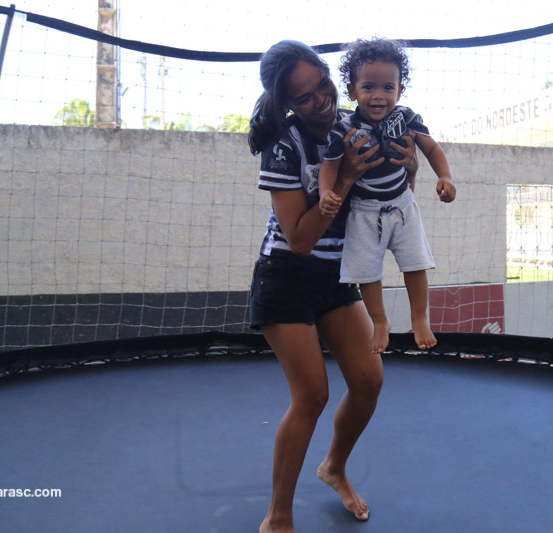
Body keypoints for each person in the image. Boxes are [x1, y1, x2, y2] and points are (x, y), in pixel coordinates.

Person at [247, 40, 418, 533]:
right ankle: (278, 516)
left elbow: (393, 200)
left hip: (338, 275)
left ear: (331, 76)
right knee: (312, 395)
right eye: (304, 98)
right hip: (286, 278)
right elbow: (299, 240)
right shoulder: (286, 146)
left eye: (322, 84)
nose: (320, 100)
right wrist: (342, 180)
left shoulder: (363, 121)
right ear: (287, 105)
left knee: (368, 382)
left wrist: (410, 168)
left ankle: (334, 467)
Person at [318, 38, 457, 355]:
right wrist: (327, 191)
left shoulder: (406, 117)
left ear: (399, 90)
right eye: (368, 87)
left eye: (387, 87)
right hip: (363, 211)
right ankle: (379, 321)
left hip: (402, 204)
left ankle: (419, 317)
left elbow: (431, 148)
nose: (378, 96)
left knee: (415, 262)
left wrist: (445, 177)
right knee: (365, 271)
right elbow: (330, 166)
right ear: (352, 91)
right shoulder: (344, 128)